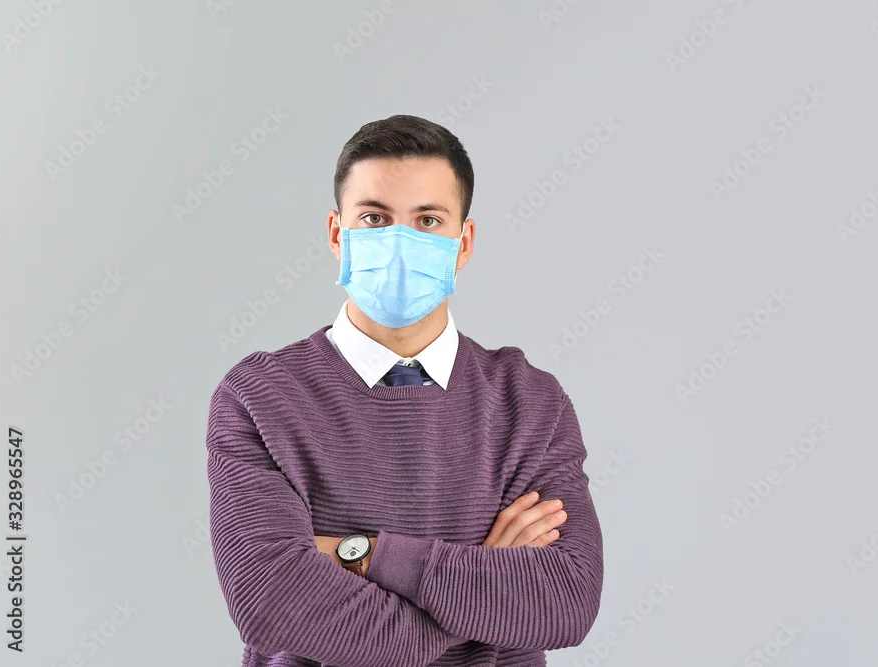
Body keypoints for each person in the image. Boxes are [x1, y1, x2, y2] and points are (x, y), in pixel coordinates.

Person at [205, 114, 605, 666]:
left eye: (427, 221)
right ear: (337, 234)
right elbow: (272, 603)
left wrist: (361, 553)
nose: (399, 243)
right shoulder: (259, 397)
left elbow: (565, 602)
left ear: (463, 243)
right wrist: (480, 586)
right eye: (374, 218)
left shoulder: (530, 402)